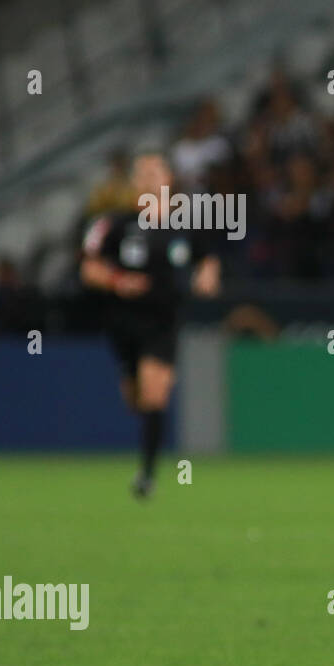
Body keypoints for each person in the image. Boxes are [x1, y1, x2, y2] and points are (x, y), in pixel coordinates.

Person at [80, 153, 221, 497]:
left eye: (155, 172)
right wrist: (116, 280)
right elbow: (89, 268)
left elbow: (208, 261)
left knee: (155, 393)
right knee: (136, 399)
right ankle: (132, 383)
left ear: (169, 179)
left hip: (164, 322)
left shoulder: (188, 223)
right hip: (124, 322)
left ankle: (146, 475)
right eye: (142, 174)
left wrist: (207, 278)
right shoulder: (114, 224)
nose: (149, 179)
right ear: (134, 183)